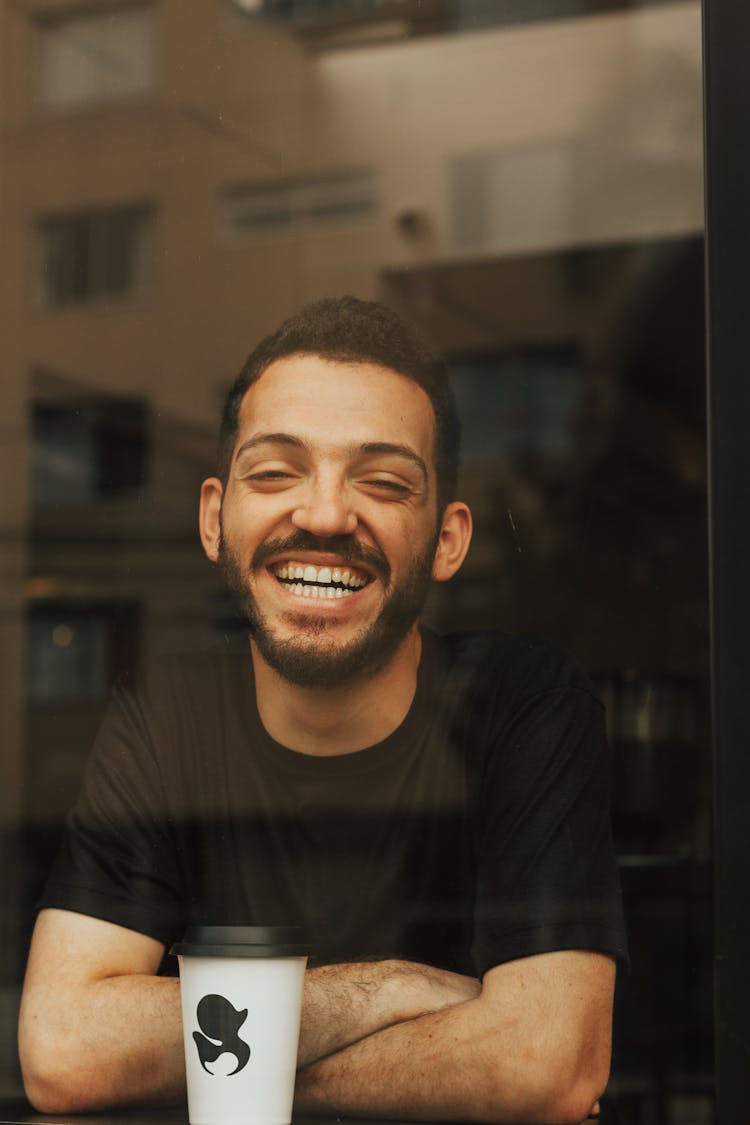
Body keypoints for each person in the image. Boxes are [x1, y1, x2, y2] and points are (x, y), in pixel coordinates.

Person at [18, 297, 626, 1124]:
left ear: (447, 539)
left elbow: (545, 1066)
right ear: (213, 517)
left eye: (382, 481)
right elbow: (64, 1049)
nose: (327, 514)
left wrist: (234, 1076)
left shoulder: (523, 705)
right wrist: (389, 993)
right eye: (274, 471)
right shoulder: (170, 716)